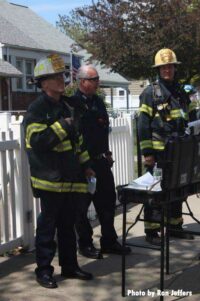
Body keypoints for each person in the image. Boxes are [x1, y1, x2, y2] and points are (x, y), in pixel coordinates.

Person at [23, 54, 95, 288]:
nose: (61, 80)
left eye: (62, 76)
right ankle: (44, 270)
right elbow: (38, 142)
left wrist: (86, 166)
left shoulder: (67, 105)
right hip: (49, 180)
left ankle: (70, 266)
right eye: (55, 77)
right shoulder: (37, 109)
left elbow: (79, 142)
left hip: (71, 179)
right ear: (43, 83)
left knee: (67, 226)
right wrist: (62, 126)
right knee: (47, 228)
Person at [70, 65, 131, 259]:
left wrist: (108, 152)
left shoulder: (98, 102)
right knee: (81, 208)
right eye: (94, 79)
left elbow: (102, 131)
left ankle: (109, 241)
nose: (98, 83)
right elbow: (77, 137)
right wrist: (85, 165)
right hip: (83, 166)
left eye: (97, 79)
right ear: (82, 82)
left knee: (107, 204)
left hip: (101, 161)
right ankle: (86, 244)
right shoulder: (73, 104)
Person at [138, 48, 197, 246]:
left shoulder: (180, 91)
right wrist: (147, 153)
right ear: (158, 69)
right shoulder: (150, 93)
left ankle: (174, 226)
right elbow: (143, 124)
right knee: (155, 192)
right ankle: (152, 231)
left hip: (179, 152)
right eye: (164, 67)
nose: (167, 70)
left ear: (174, 68)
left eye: (170, 66)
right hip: (159, 153)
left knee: (177, 190)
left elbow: (191, 117)